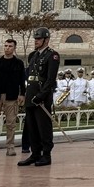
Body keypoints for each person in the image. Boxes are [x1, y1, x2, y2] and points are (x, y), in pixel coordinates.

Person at [19, 28, 60, 167]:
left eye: (38, 39)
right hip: (31, 96)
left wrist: (41, 95)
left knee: (44, 128)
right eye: (35, 39)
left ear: (46, 40)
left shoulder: (52, 56)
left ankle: (46, 155)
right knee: (31, 128)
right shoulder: (33, 56)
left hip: (41, 98)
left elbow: (50, 79)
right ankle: (35, 153)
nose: (36, 41)